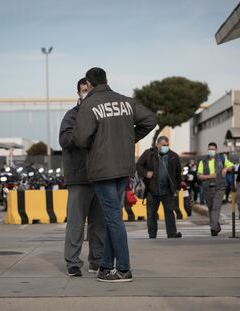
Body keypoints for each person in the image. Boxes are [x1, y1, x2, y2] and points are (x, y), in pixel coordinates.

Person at [73, 67, 157, 283]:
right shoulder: (126, 101)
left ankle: (124, 268)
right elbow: (150, 120)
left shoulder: (89, 104)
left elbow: (80, 140)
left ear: (89, 85)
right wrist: (131, 138)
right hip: (123, 167)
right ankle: (105, 266)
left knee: (113, 219)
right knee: (113, 218)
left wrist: (97, 143)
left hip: (103, 170)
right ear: (107, 80)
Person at [59, 77, 106, 277]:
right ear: (78, 93)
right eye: (83, 90)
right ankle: (73, 263)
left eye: (90, 89)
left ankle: (96, 261)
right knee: (76, 224)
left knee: (99, 225)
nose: (87, 93)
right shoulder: (72, 115)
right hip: (79, 178)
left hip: (100, 176)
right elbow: (65, 139)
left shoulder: (101, 115)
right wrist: (85, 132)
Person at [136, 136, 182, 239]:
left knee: (169, 213)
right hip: (152, 191)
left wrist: (177, 188)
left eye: (167, 145)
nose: (166, 147)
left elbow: (178, 174)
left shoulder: (173, 156)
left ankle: (172, 234)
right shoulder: (149, 154)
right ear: (158, 145)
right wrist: (146, 173)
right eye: (164, 145)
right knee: (151, 214)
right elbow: (138, 165)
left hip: (168, 191)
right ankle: (152, 235)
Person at [197, 142, 234, 236]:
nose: (211, 151)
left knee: (215, 208)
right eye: (210, 149)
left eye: (213, 149)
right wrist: (210, 176)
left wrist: (226, 169)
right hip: (207, 188)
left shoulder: (221, 159)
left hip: (220, 187)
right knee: (210, 208)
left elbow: (232, 166)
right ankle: (216, 226)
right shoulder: (203, 161)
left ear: (216, 150)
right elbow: (199, 176)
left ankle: (213, 229)